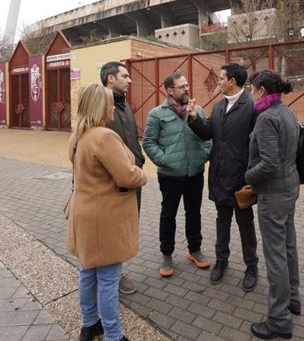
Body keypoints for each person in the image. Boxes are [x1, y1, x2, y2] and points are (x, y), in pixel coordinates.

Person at [67, 83, 147, 341]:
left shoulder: (79, 135)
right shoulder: (104, 136)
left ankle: (90, 324)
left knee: (88, 273)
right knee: (109, 280)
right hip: (105, 219)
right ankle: (114, 335)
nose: (114, 106)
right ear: (101, 107)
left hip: (86, 213)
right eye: (110, 102)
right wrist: (142, 175)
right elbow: (127, 175)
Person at [187, 63, 259, 291]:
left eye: (221, 79)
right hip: (219, 175)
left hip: (241, 178)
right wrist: (194, 118)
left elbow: (257, 145)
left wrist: (252, 176)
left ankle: (251, 266)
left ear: (233, 81)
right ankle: (222, 261)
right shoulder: (219, 107)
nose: (217, 82)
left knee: (245, 223)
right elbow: (207, 132)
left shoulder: (252, 107)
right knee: (222, 221)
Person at [244, 70, 301, 340]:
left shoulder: (267, 118)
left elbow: (268, 164)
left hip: (273, 194)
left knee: (275, 255)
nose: (250, 92)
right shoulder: (286, 112)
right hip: (289, 188)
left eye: (252, 88)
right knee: (288, 246)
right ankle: (293, 299)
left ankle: (278, 319)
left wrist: (247, 177)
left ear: (262, 90)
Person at [142, 72, 212, 277]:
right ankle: (166, 254)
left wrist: (204, 155)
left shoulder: (197, 110)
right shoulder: (157, 113)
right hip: (170, 175)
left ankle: (194, 249)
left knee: (194, 212)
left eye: (187, 85)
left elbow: (207, 136)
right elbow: (149, 142)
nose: (187, 88)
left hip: (195, 173)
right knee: (168, 214)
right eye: (182, 86)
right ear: (170, 90)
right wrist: (166, 160)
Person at [101, 61, 145, 295]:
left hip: (132, 176)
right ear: (110, 78)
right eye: (125, 76)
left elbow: (132, 137)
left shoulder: (125, 106)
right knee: (113, 229)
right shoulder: (101, 107)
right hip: (112, 182)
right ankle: (112, 276)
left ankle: (116, 271)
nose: (130, 80)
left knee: (128, 226)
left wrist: (139, 159)